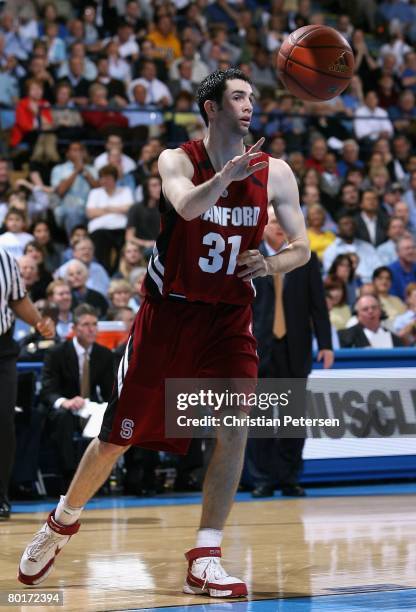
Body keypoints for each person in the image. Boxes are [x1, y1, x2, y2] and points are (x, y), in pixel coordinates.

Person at [18, 68, 310, 597]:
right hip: (168, 315)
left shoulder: (278, 172)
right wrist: (226, 177)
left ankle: (205, 555)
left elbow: (303, 247)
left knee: (234, 427)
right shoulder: (177, 159)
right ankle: (61, 520)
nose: (249, 106)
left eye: (253, 97)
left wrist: (269, 266)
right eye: (238, 97)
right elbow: (188, 206)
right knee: (115, 440)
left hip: (227, 317)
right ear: (212, 109)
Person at [246, 210, 333, 498]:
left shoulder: (304, 257)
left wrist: (326, 343)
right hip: (259, 348)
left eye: (284, 223)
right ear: (263, 227)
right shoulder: (248, 256)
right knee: (261, 419)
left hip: (295, 347)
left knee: (292, 419)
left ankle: (290, 476)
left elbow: (317, 304)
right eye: (274, 222)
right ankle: (263, 478)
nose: (281, 227)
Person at [0, 247, 54, 519]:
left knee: (3, 423)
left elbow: (17, 299)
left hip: (2, 348)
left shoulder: (4, 258)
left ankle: (0, 496)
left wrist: (39, 321)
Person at [40, 304, 114, 486]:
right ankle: (70, 477)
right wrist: (65, 402)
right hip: (64, 408)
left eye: (95, 324)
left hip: (90, 408)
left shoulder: (103, 354)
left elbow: (108, 391)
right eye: (86, 324)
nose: (92, 329)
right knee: (63, 418)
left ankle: (104, 477)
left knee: (115, 415)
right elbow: (47, 389)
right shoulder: (56, 352)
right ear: (74, 329)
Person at [338, 295, 403, 348]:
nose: (370, 311)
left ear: (380, 311)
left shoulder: (394, 339)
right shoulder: (345, 336)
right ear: (357, 315)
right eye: (365, 309)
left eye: (374, 308)